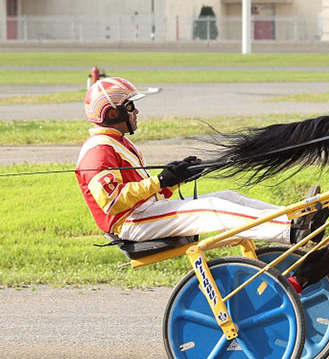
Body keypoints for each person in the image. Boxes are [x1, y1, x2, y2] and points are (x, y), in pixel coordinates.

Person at [75, 76, 295, 244]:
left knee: (225, 196)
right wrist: (161, 180)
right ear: (113, 114)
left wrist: (178, 178)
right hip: (129, 225)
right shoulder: (99, 150)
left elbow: (147, 192)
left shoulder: (118, 143)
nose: (136, 111)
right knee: (212, 208)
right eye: (130, 107)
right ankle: (289, 229)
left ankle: (293, 215)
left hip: (145, 212)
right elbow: (112, 202)